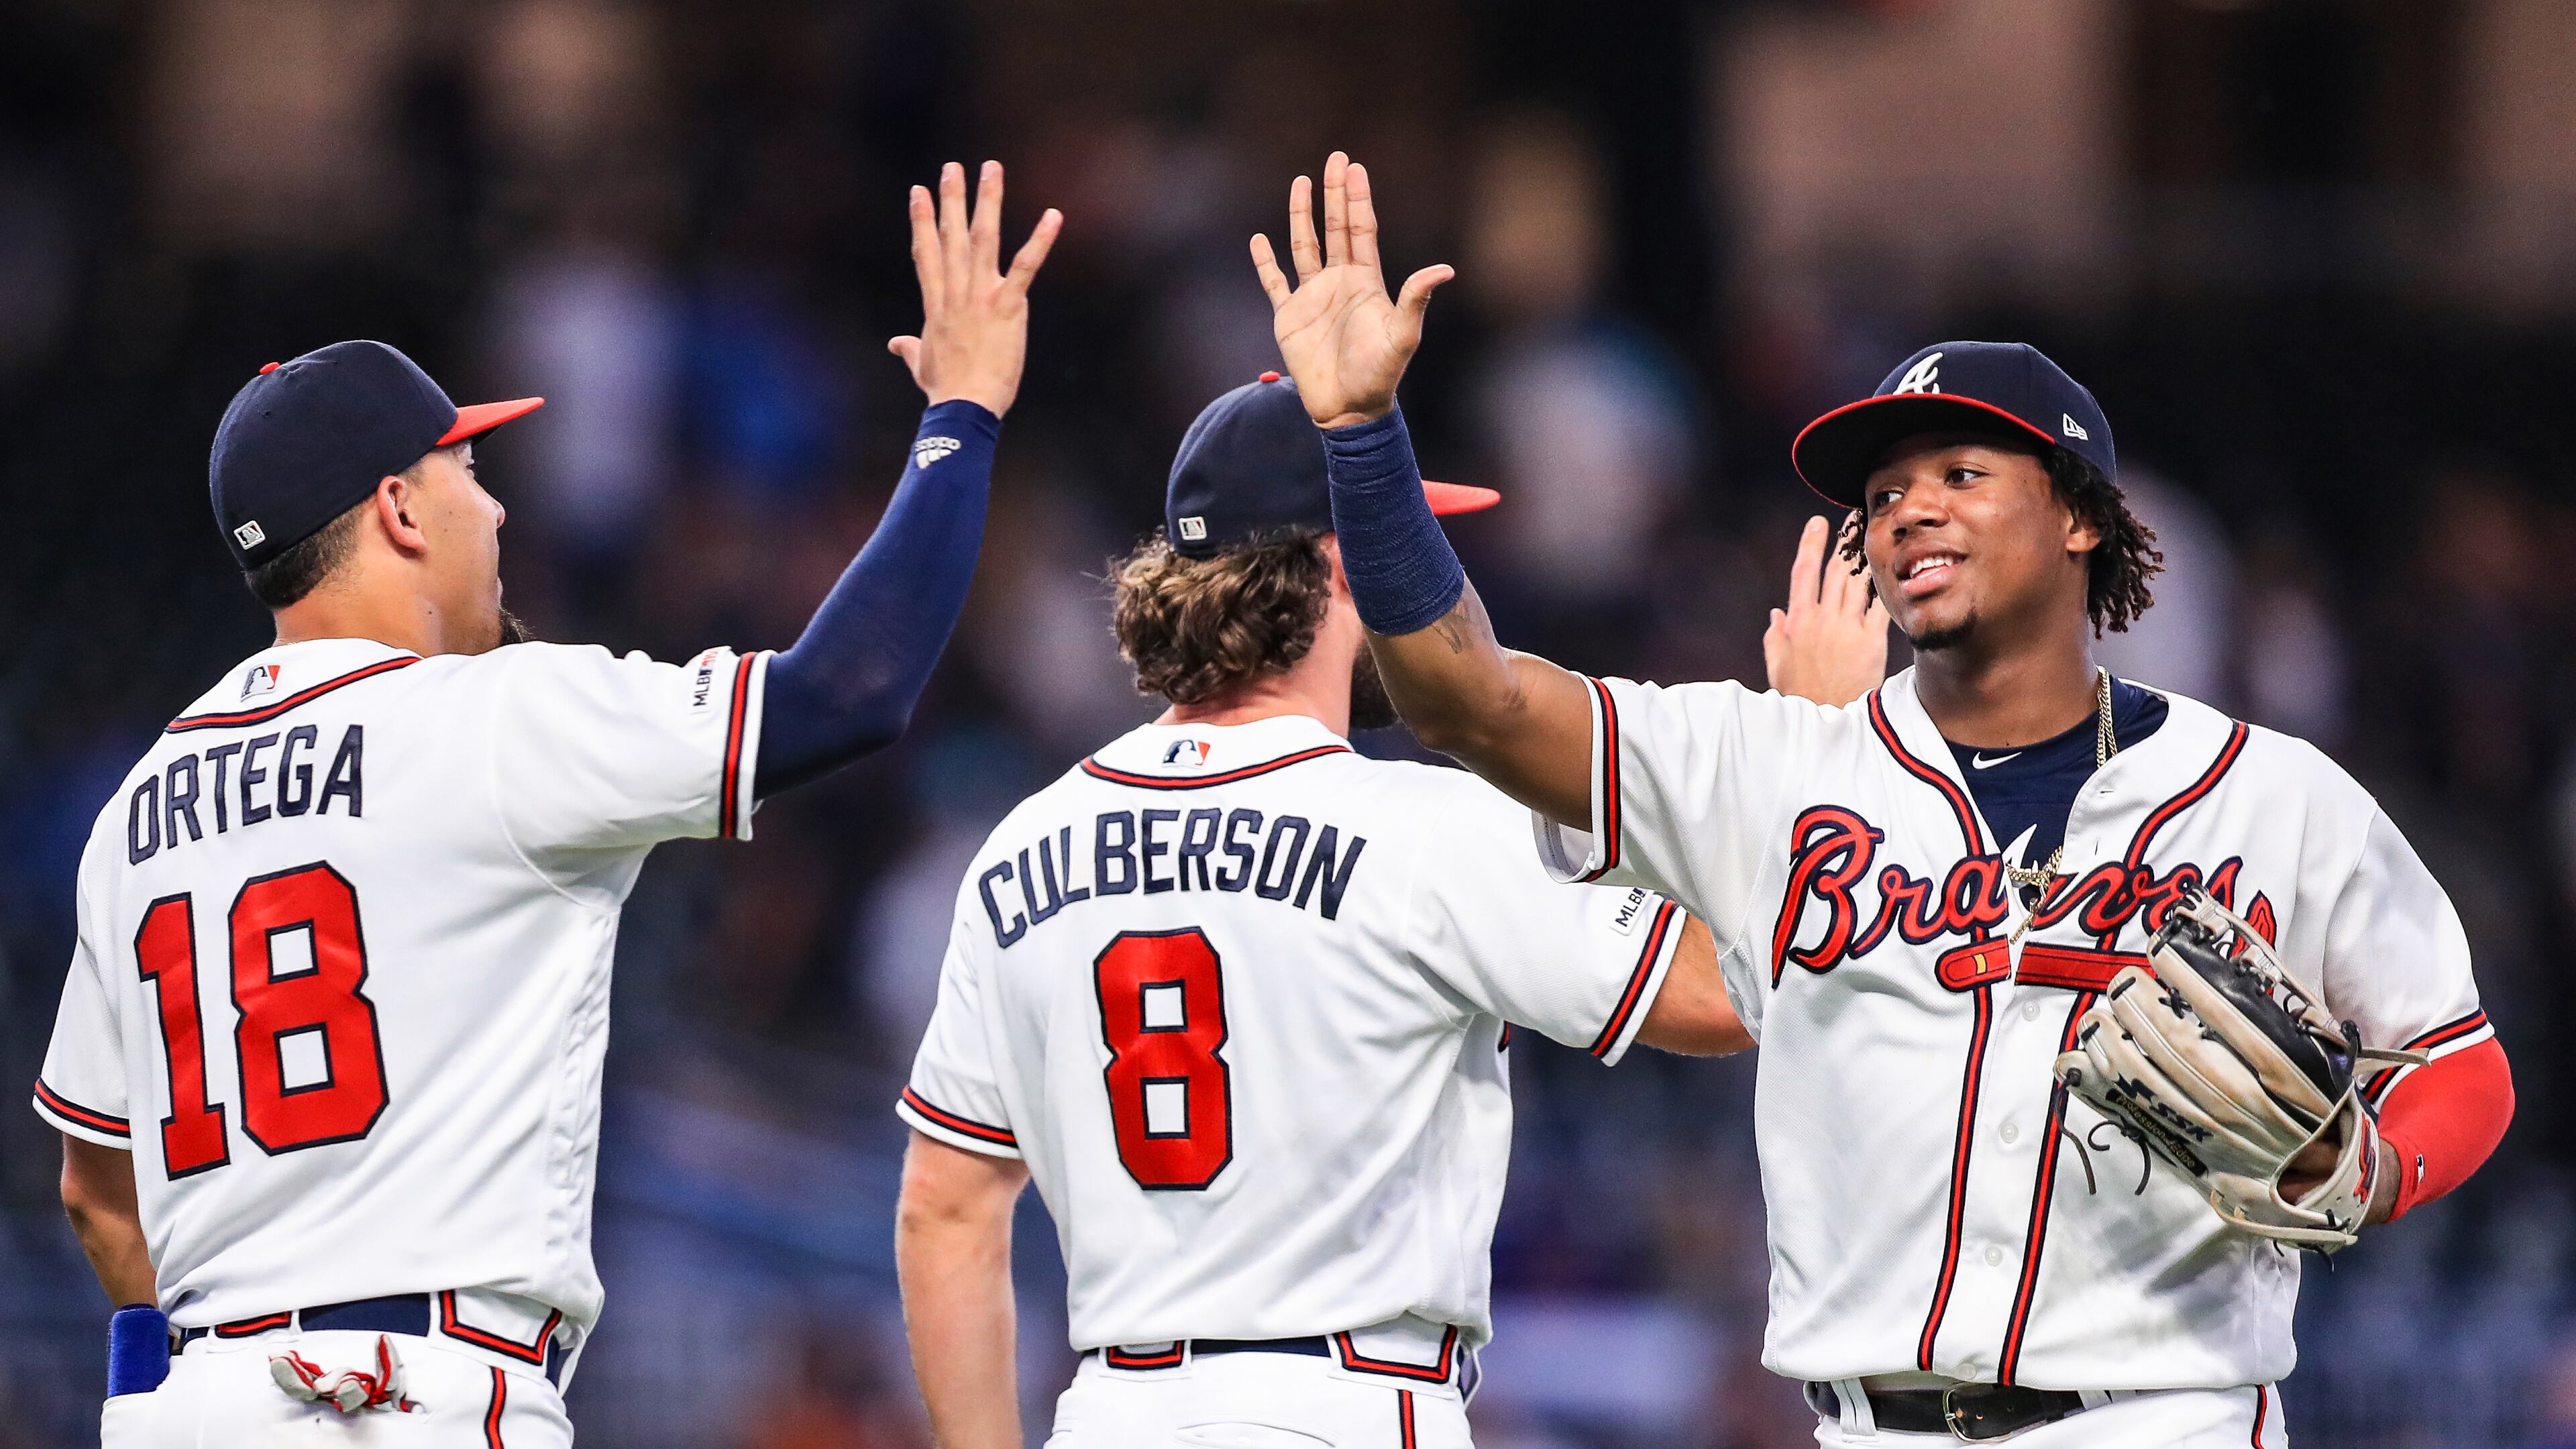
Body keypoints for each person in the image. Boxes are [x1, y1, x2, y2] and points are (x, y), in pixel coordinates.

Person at [1254, 151, 2515, 1446]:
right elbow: (1473, 703)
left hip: (2160, 1417)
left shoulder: (2269, 795)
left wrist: (2378, 1170)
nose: (1908, 509)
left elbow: (2461, 1064)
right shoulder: (1778, 766)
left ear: (2081, 517)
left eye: (1959, 476)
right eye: (1883, 495)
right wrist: (1364, 438)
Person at [36, 162, 1058, 1447]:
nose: (497, 500)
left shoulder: (136, 810)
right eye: (465, 467)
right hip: (417, 1397)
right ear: (399, 508)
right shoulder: (494, 718)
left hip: (197, 1409)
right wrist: (963, 412)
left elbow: (95, 1194)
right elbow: (844, 694)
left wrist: (151, 1389)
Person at [891, 372, 1754, 1449]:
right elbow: (1724, 997)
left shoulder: (1022, 846)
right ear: (1348, 564)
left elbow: (947, 1208)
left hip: (1111, 1412)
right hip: (1346, 1403)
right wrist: (1794, 779)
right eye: (1406, 545)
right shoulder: (1422, 828)